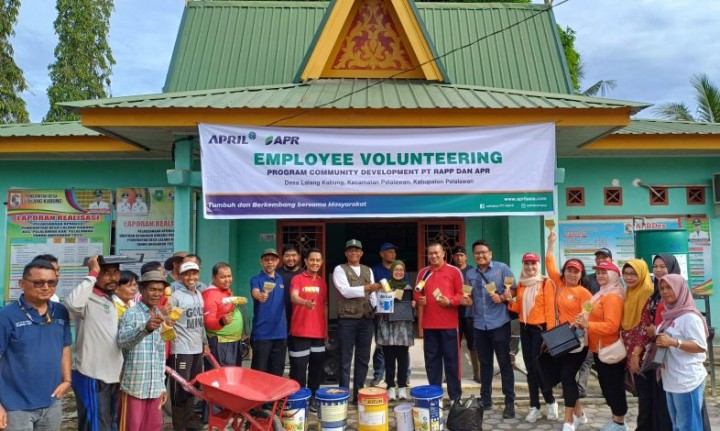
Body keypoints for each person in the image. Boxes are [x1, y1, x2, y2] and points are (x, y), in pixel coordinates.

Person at [0, 259, 72, 431]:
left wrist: (67, 380)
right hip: (15, 406)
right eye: (38, 282)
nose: (46, 287)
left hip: (52, 401)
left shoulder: (60, 311)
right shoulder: (6, 316)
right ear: (22, 284)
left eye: (51, 282)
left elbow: (65, 347)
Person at [65, 255, 125, 431]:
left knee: (108, 422)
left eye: (115, 272)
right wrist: (93, 272)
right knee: (96, 425)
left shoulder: (113, 299)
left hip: (113, 375)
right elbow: (72, 304)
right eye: (106, 273)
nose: (112, 278)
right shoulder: (87, 298)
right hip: (92, 375)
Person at [546, 233, 592, 431]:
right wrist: (550, 243)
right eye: (569, 270)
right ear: (564, 272)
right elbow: (549, 264)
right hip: (559, 339)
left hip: (577, 342)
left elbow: (589, 309)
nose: (572, 274)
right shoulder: (559, 284)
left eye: (576, 271)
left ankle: (568, 420)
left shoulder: (584, 292)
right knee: (567, 378)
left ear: (581, 274)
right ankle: (580, 414)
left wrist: (580, 318)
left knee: (566, 377)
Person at [506, 252, 558, 423]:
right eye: (527, 264)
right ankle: (534, 406)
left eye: (533, 264)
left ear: (538, 265)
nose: (530, 267)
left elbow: (550, 311)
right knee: (530, 369)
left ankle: (550, 402)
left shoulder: (545, 283)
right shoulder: (521, 284)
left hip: (540, 330)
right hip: (525, 329)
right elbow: (520, 308)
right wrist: (508, 301)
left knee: (539, 368)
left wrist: (549, 336)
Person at [575, 260, 627, 431]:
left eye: (604, 272)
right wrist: (579, 319)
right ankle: (615, 419)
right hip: (598, 348)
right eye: (598, 272)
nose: (600, 275)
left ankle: (620, 423)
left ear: (613, 275)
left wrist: (588, 325)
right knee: (607, 386)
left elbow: (613, 326)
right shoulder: (599, 294)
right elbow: (586, 309)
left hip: (610, 349)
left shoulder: (613, 297)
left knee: (614, 387)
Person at [415, 242, 470, 403]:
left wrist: (450, 301)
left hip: (450, 325)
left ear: (444, 253)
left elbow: (462, 294)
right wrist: (420, 299)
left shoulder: (454, 272)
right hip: (429, 325)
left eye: (436, 253)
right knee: (432, 363)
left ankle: (455, 397)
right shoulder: (423, 273)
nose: (433, 256)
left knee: (452, 362)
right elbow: (417, 294)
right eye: (430, 253)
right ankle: (435, 396)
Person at [467, 240, 516, 418]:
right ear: (474, 255)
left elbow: (514, 290)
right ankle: (485, 399)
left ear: (490, 253)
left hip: (499, 324)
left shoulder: (502, 268)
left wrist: (503, 297)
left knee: (504, 364)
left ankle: (509, 403)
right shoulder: (471, 273)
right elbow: (468, 294)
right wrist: (468, 300)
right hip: (480, 325)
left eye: (484, 252)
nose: (481, 255)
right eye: (477, 253)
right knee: (485, 364)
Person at [116, 270, 170, 431]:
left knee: (153, 428)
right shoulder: (131, 314)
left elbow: (160, 354)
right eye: (152, 289)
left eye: (160, 290)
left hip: (154, 387)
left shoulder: (160, 314)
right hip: (134, 386)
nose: (156, 294)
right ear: (142, 290)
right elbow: (122, 341)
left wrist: (162, 386)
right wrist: (145, 328)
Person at [655, 274, 708, 431]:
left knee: (688, 427)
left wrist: (674, 342)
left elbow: (700, 346)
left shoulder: (690, 317)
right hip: (672, 379)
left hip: (687, 381)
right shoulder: (669, 315)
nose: (665, 292)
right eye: (662, 288)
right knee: (678, 426)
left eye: (669, 287)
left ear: (680, 289)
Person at [333, 239, 381, 404]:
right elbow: (345, 291)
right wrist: (368, 288)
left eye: (357, 250)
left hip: (366, 319)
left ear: (361, 253)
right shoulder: (340, 269)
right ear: (346, 253)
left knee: (363, 359)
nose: (354, 253)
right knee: (345, 359)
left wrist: (378, 308)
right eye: (350, 250)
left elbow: (373, 295)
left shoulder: (368, 270)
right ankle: (343, 396)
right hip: (347, 320)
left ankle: (358, 395)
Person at [168, 261, 209, 431]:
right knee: (180, 390)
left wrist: (205, 343)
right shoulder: (176, 296)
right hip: (181, 350)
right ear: (180, 276)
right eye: (187, 274)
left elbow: (200, 323)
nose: (191, 277)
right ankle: (179, 426)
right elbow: (168, 321)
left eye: (194, 274)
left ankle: (188, 421)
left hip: (196, 348)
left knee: (193, 387)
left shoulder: (199, 294)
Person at [619, 259, 657, 431]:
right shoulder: (629, 291)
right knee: (643, 392)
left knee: (645, 393)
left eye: (633, 273)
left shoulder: (647, 292)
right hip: (630, 347)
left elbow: (645, 326)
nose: (629, 277)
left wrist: (636, 354)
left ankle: (644, 427)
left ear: (642, 273)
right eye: (626, 274)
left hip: (641, 352)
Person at [288, 248, 328, 412]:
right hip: (300, 331)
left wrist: (326, 331)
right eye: (312, 260)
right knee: (298, 368)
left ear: (322, 262)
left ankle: (312, 397)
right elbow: (293, 297)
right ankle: (298, 399)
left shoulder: (322, 282)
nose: (315, 263)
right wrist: (305, 303)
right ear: (305, 261)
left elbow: (324, 307)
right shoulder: (297, 279)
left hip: (318, 332)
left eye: (318, 260)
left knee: (316, 369)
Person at [578, 247, 614, 397]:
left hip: (609, 329)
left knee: (607, 361)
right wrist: (586, 314)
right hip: (590, 327)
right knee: (587, 359)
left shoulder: (617, 282)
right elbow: (587, 300)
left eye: (604, 257)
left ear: (611, 260)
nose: (600, 260)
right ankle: (581, 388)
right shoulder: (588, 280)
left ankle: (608, 390)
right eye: (598, 257)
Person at [377, 260, 414, 401]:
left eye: (401, 270)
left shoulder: (408, 287)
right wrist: (386, 298)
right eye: (396, 270)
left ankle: (402, 387)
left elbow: (412, 306)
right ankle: (391, 387)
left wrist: (413, 304)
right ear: (391, 271)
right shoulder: (384, 287)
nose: (398, 272)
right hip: (387, 328)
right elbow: (379, 307)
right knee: (389, 360)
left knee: (403, 360)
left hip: (403, 329)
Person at [250, 248, 287, 376]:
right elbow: (255, 292)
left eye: (273, 260)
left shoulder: (280, 279)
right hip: (262, 334)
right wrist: (260, 296)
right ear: (261, 262)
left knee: (277, 373)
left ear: (277, 261)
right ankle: (258, 397)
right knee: (259, 373)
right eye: (266, 260)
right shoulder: (256, 279)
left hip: (280, 333)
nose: (270, 262)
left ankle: (276, 397)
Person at [202, 263, 247, 367]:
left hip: (233, 342)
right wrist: (222, 321)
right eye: (223, 277)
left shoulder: (225, 290)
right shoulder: (210, 295)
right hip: (221, 345)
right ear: (214, 277)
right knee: (221, 378)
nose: (227, 280)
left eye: (229, 276)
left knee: (232, 376)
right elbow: (209, 322)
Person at [370, 243, 399, 387]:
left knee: (400, 344)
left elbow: (406, 289)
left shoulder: (399, 269)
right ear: (382, 254)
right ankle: (378, 374)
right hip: (381, 312)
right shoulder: (374, 270)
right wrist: (375, 307)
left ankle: (403, 375)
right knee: (381, 344)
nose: (393, 254)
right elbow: (370, 291)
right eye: (389, 252)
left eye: (394, 252)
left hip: (398, 313)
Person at [452, 246, 479, 383]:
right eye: (456, 255)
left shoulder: (473, 271)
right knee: (453, 346)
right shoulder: (450, 271)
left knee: (473, 345)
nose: (459, 258)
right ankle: (453, 374)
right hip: (453, 314)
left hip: (470, 314)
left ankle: (477, 373)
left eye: (461, 255)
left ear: (466, 257)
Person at [277, 244, 303, 334]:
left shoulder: (305, 275)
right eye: (287, 256)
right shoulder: (275, 275)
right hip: (279, 318)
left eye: (293, 255)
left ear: (299, 257)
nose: (290, 258)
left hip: (299, 318)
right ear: (282, 257)